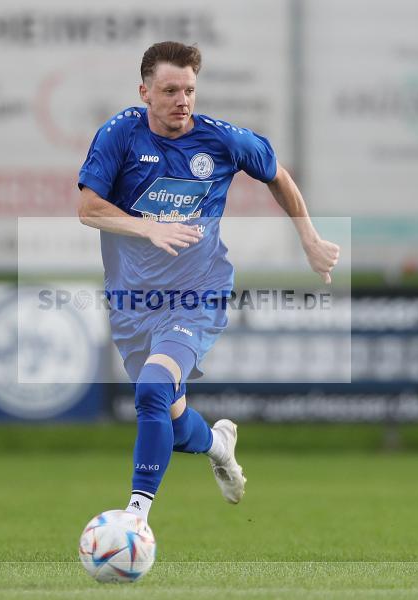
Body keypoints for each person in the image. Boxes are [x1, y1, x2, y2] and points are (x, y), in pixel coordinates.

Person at [77, 41, 339, 521]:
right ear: (145, 92)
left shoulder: (221, 140)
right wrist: (146, 225)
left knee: (153, 389)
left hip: (197, 293)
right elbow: (88, 208)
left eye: (190, 89)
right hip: (133, 302)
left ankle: (134, 517)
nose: (182, 99)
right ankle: (218, 445)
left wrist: (310, 238)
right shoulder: (120, 134)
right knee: (173, 424)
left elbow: (277, 174)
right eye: (170, 89)